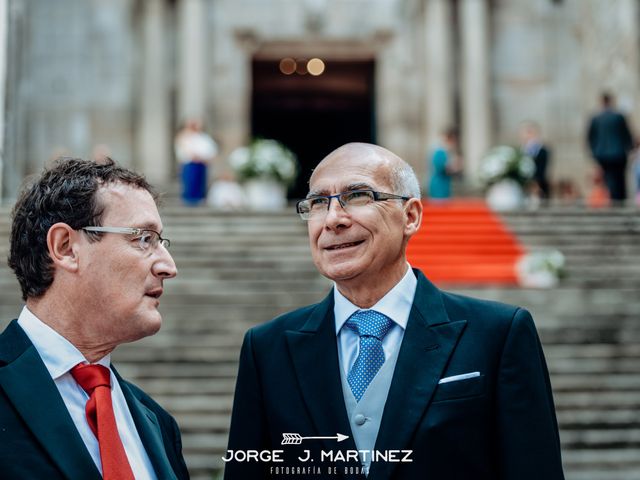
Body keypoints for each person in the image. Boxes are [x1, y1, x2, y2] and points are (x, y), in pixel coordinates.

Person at [224, 143, 565, 479]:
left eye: (357, 196)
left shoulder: (498, 334)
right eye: (317, 203)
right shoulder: (266, 349)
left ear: (411, 216)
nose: (332, 219)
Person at [1, 157, 189, 479]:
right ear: (66, 247)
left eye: (160, 242)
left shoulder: (158, 423)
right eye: (144, 239)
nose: (168, 266)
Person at [587, 92, 634, 203]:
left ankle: (613, 199)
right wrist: (630, 149)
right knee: (619, 178)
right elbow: (626, 135)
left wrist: (594, 152)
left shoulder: (596, 118)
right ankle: (618, 199)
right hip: (619, 153)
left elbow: (590, 138)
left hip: (602, 154)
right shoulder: (618, 117)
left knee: (608, 178)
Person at [175, 119, 218, 205]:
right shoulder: (184, 136)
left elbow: (211, 149)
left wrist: (204, 157)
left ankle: (199, 199)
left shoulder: (203, 137)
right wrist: (192, 155)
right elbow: (183, 149)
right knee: (190, 181)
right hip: (189, 163)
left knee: (200, 182)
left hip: (202, 162)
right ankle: (189, 200)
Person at [520, 121, 551, 201]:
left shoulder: (543, 151)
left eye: (530, 132)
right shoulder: (521, 151)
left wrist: (535, 182)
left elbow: (542, 169)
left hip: (539, 186)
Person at [427, 127, 461, 200]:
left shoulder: (443, 152)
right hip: (439, 186)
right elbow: (442, 167)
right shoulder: (440, 152)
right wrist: (455, 166)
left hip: (443, 185)